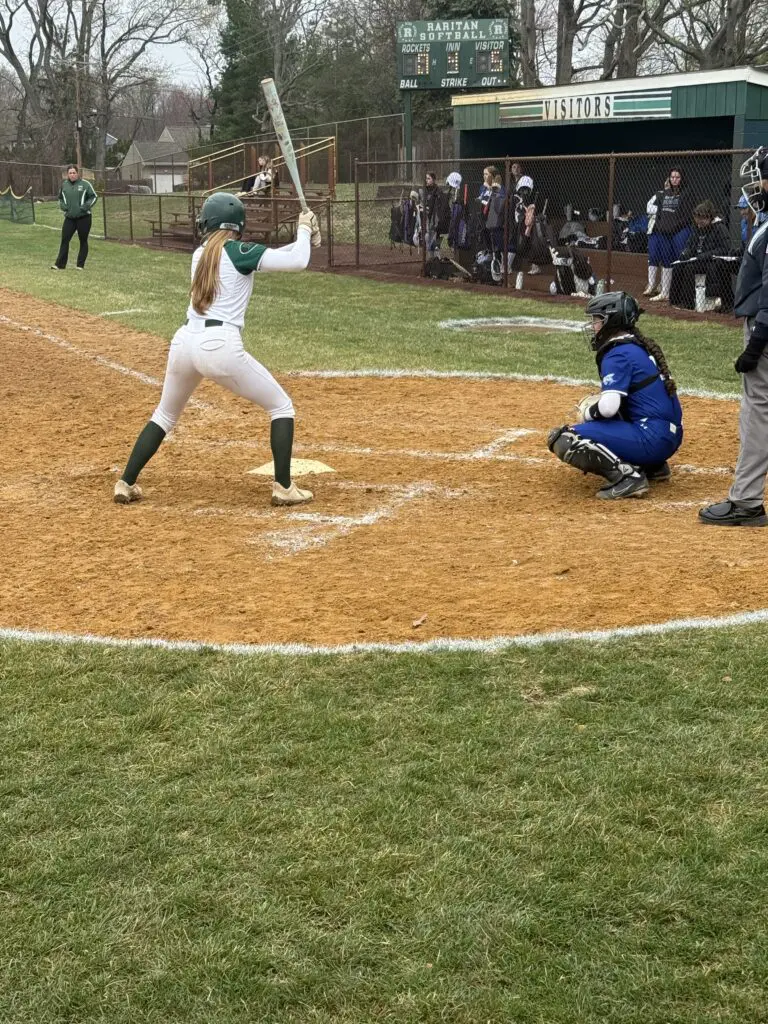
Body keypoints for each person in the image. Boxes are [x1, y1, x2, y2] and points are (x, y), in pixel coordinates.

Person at [113, 192, 321, 508]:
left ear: (208, 222)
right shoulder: (240, 252)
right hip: (220, 346)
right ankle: (283, 487)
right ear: (239, 223)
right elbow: (297, 262)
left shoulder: (201, 254)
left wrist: (305, 238)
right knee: (281, 407)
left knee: (165, 414)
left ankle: (125, 482)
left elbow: (287, 255)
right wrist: (304, 230)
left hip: (185, 342)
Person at [547, 291, 684, 500]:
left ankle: (627, 479)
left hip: (651, 439)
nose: (594, 326)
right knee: (624, 409)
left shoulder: (617, 353)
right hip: (669, 437)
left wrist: (588, 413)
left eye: (597, 320)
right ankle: (653, 467)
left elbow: (609, 407)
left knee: (564, 438)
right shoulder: (636, 345)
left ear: (611, 320)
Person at [700, 147, 768, 526]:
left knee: (757, 411)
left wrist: (756, 343)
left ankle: (746, 501)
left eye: (760, 176)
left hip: (764, 329)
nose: (756, 185)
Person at [670, 200, 731, 311]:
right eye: (697, 218)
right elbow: (690, 245)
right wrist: (686, 253)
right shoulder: (696, 228)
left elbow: (725, 249)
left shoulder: (720, 228)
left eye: (702, 218)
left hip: (710, 261)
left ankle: (688, 303)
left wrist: (704, 255)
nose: (699, 221)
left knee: (689, 269)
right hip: (697, 259)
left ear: (710, 217)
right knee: (678, 267)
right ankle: (675, 301)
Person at [645, 168, 694, 302]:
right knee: (666, 259)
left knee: (679, 258)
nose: (674, 180)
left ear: (682, 178)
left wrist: (675, 226)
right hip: (664, 231)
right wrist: (661, 225)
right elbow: (659, 211)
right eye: (672, 177)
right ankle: (665, 291)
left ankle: (681, 291)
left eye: (677, 177)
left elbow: (687, 214)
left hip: (679, 230)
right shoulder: (664, 193)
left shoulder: (687, 193)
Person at [51, 165, 98, 271]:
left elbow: (94, 196)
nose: (72, 175)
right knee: (65, 240)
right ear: (67, 174)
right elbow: (60, 199)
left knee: (83, 240)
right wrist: (63, 206)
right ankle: (60, 265)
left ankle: (80, 265)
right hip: (70, 218)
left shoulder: (85, 184)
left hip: (84, 217)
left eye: (74, 173)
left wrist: (85, 206)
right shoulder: (64, 185)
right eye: (70, 173)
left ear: (78, 173)